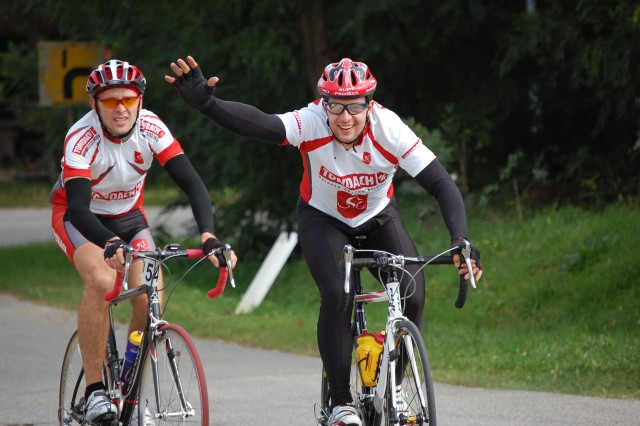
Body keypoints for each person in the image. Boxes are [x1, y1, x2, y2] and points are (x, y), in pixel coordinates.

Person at [165, 55, 482, 426]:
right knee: (337, 293)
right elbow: (263, 125)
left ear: (369, 104)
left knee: (413, 292)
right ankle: (341, 402)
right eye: (336, 107)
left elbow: (441, 184)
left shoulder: (389, 128)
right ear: (324, 103)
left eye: (354, 107)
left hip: (378, 217)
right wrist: (208, 104)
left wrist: (460, 239)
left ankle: (395, 388)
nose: (345, 117)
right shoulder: (311, 121)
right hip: (322, 218)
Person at [50, 59, 237, 424]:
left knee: (149, 295)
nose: (120, 108)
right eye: (110, 101)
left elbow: (192, 183)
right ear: (95, 105)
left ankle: (130, 393)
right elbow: (78, 206)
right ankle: (94, 393)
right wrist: (108, 243)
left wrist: (209, 235)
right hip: (81, 218)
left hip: (130, 218)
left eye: (128, 100)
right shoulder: (81, 137)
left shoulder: (151, 126)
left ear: (139, 100)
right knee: (102, 280)